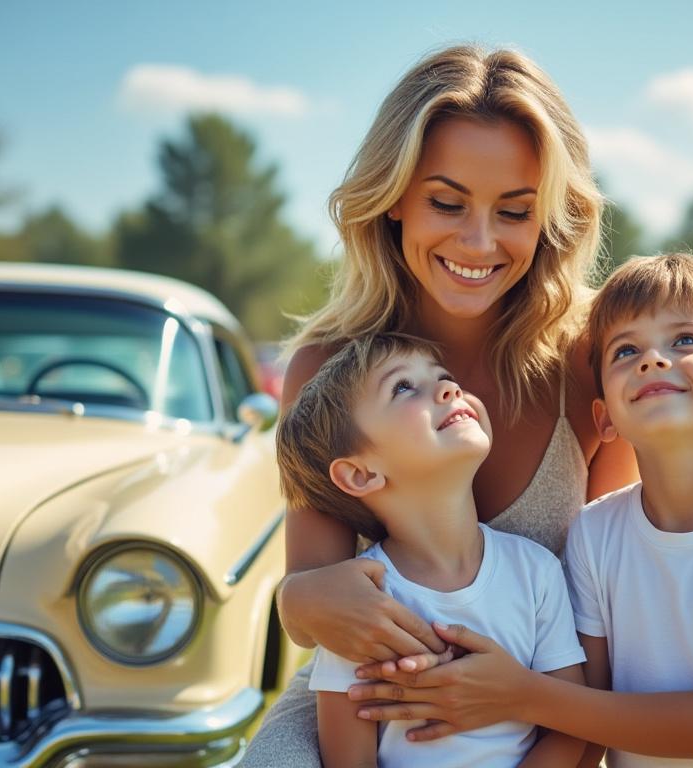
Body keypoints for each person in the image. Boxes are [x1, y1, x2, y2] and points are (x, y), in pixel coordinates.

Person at [241, 45, 637, 766]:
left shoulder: (592, 366)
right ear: (393, 196)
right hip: (360, 714)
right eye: (446, 203)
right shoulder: (326, 371)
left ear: (550, 217)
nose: (478, 242)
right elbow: (310, 603)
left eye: (514, 211)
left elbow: (614, 615)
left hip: (552, 717)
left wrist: (527, 711)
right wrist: (301, 602)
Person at [349, 253, 693, 766]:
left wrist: (519, 694)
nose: (652, 359)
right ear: (605, 418)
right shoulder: (595, 533)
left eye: (686, 340)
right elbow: (587, 727)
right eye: (626, 351)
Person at [277, 333, 588, 767]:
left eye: (444, 377)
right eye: (403, 387)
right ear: (360, 474)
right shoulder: (359, 610)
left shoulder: (537, 572)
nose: (448, 389)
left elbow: (570, 727)